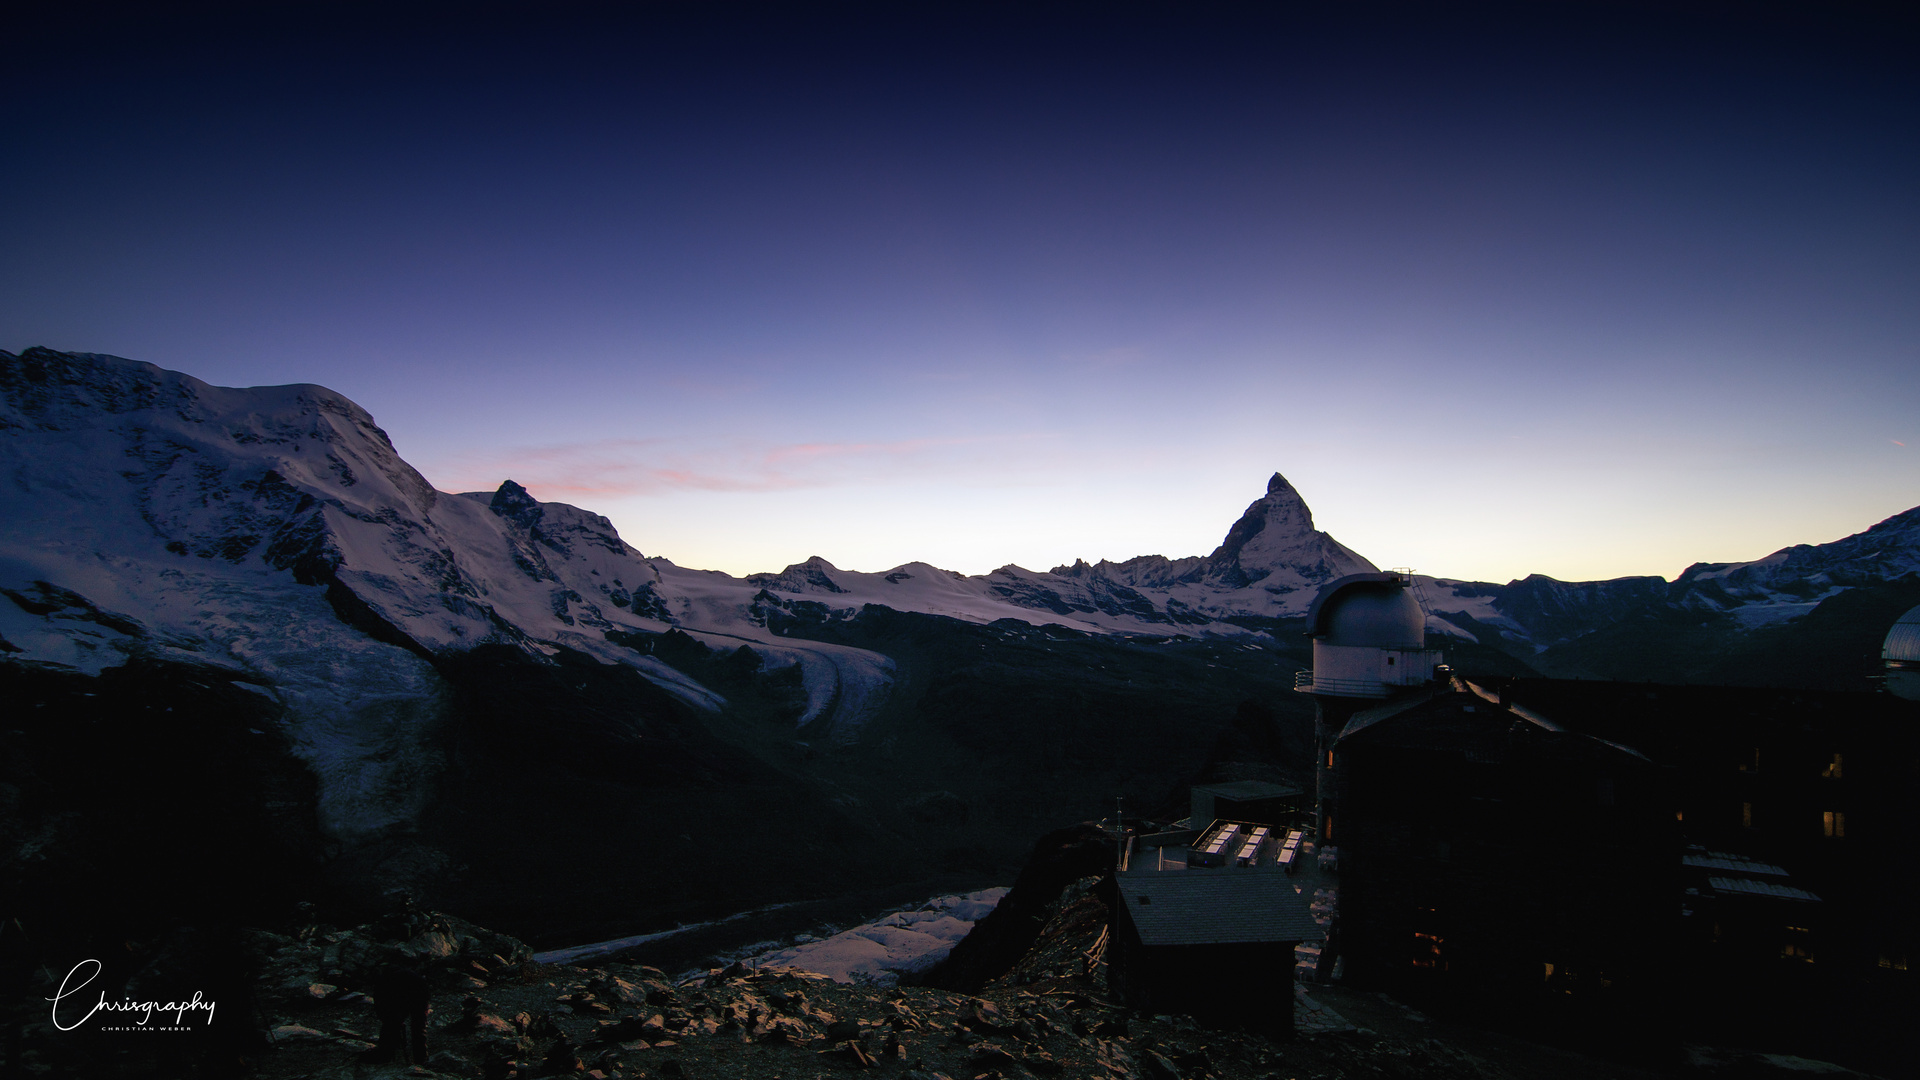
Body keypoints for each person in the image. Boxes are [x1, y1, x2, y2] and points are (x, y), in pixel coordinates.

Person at [360, 966, 431, 1066]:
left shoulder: (382, 985)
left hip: (409, 991)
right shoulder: (391, 977)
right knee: (418, 1027)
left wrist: (394, 1021)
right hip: (419, 990)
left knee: (391, 1023)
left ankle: (386, 1054)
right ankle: (421, 1059)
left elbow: (383, 1012)